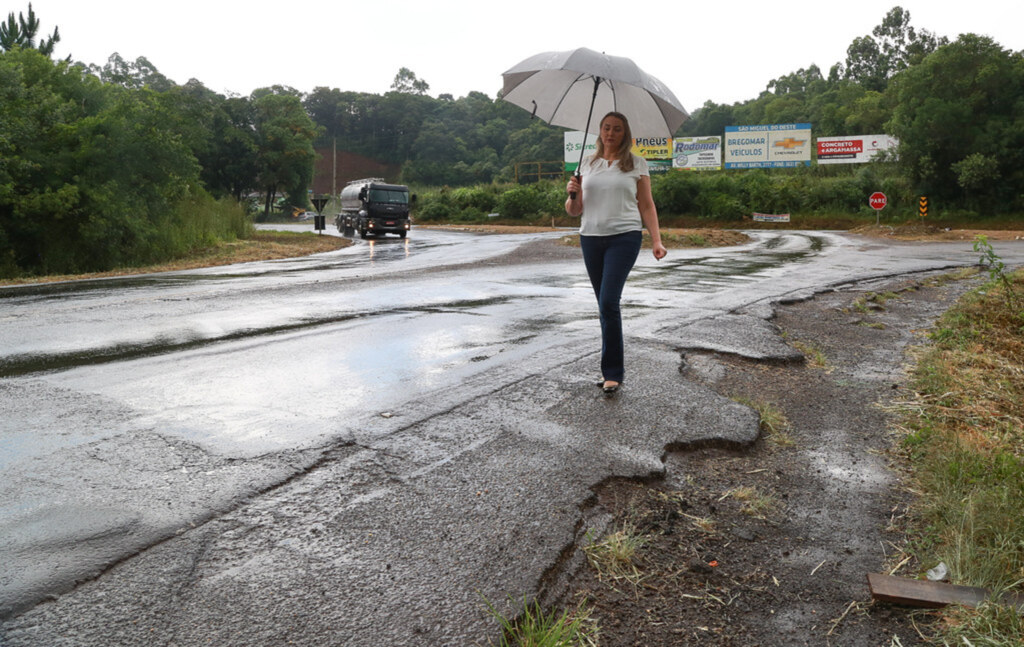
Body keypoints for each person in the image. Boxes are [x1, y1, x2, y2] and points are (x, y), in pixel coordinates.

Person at [565, 111, 667, 395]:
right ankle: (612, 368)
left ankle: (612, 372)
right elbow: (574, 211)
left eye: (618, 129)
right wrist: (572, 192)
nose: (611, 133)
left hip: (624, 238)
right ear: (600, 131)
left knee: (609, 302)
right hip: (590, 238)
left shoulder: (636, 163)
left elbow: (647, 205)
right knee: (603, 305)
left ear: (625, 134)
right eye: (607, 128)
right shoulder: (587, 163)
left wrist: (656, 241)